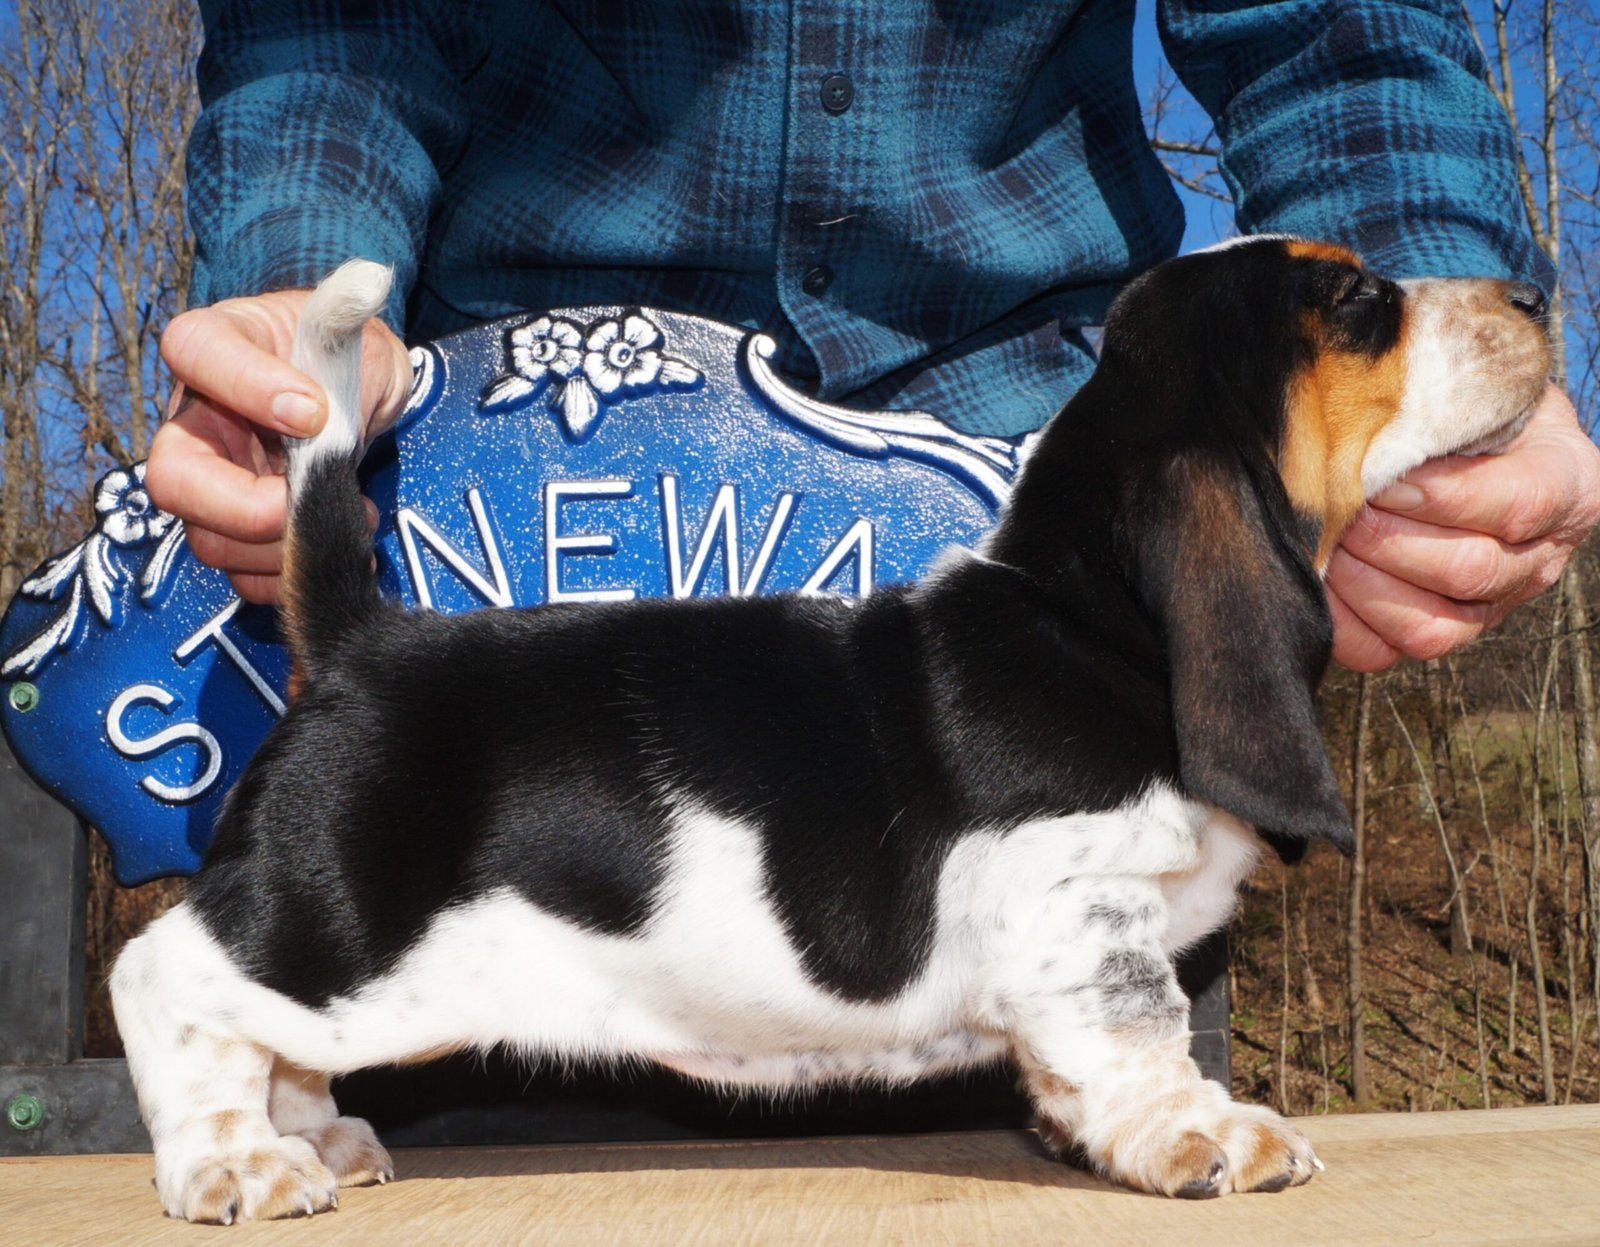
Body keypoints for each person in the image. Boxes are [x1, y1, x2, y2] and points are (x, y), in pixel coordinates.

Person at [148, 0, 1600, 672]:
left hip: (1036, 549)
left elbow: (1334, 32)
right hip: (501, 519)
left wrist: (1430, 366)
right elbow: (335, 34)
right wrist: (311, 315)